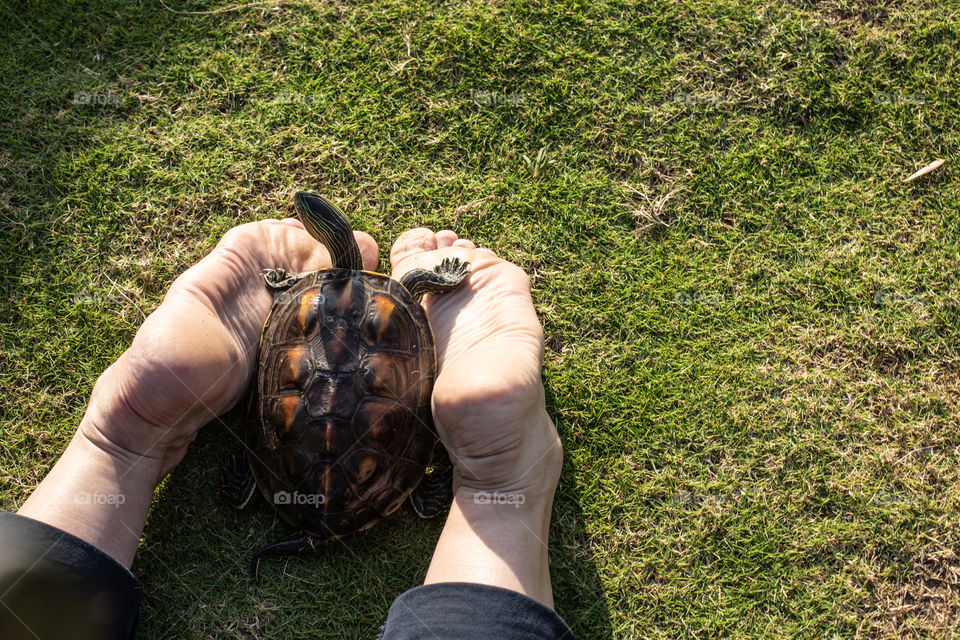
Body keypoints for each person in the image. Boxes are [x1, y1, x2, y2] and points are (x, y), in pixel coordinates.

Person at [0, 219, 574, 639]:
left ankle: (124, 432)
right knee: (484, 480)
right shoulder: (390, 293)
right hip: (374, 434)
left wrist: (262, 475)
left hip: (287, 475)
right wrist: (432, 274)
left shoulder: (309, 288)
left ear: (330, 236)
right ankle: (498, 481)